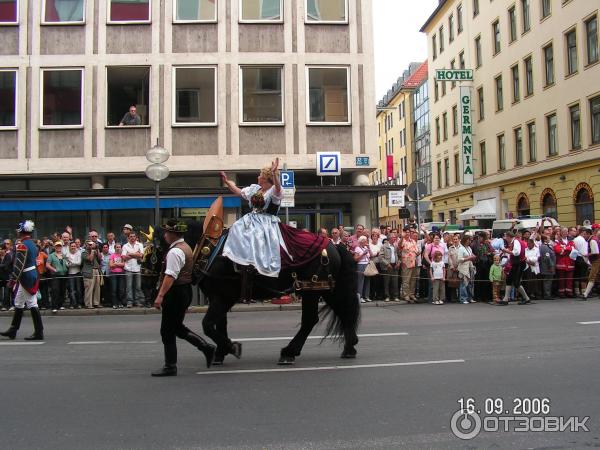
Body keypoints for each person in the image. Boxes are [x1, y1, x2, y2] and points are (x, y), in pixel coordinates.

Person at [151, 219, 216, 377]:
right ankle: (205, 348)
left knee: (167, 331)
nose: (165, 235)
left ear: (174, 234)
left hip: (175, 293)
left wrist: (160, 296)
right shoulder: (185, 247)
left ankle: (170, 366)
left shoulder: (175, 252)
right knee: (176, 328)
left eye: (167, 232)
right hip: (183, 291)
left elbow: (170, 276)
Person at [220, 158, 283, 303]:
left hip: (267, 223)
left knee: (256, 236)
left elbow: (278, 188)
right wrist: (227, 182)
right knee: (235, 227)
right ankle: (238, 261)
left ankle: (254, 266)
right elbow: (238, 192)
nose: (258, 177)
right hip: (252, 219)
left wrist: (275, 174)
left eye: (260, 175)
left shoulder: (274, 191)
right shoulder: (256, 189)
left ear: (266, 179)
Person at [0, 220, 44, 340]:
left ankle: (39, 332)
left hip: (25, 276)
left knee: (31, 303)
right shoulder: (33, 244)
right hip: (31, 274)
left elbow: (19, 265)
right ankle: (13, 330)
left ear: (21, 231)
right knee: (18, 303)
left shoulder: (22, 245)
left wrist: (13, 280)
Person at [501, 232, 531, 305]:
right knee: (509, 279)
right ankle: (505, 299)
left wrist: (506, 251)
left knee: (516, 282)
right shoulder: (514, 241)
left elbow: (516, 253)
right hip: (516, 263)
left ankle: (526, 298)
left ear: (509, 237)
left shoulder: (516, 241)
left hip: (519, 263)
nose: (505, 239)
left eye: (506, 237)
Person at [122, 232, 145, 307]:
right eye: (131, 236)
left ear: (136, 237)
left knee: (138, 286)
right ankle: (129, 302)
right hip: (128, 268)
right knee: (129, 286)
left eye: (134, 236)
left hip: (137, 268)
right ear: (128, 237)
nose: (132, 238)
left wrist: (130, 254)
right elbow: (124, 257)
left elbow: (141, 255)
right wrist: (136, 254)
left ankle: (137, 301)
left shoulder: (140, 245)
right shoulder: (125, 246)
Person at [47, 241, 68, 313]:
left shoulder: (64, 255)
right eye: (57, 246)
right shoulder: (51, 255)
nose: (58, 247)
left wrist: (68, 264)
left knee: (62, 290)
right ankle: (54, 306)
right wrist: (53, 269)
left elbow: (67, 262)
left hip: (64, 274)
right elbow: (47, 265)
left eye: (60, 246)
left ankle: (60, 305)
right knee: (55, 290)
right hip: (55, 275)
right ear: (55, 247)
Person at [554, 228, 575, 298]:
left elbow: (573, 249)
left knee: (569, 278)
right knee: (561, 279)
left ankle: (569, 292)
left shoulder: (571, 240)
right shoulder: (557, 241)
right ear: (561, 232)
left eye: (566, 232)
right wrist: (567, 249)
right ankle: (561, 292)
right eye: (563, 232)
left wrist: (564, 248)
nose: (565, 233)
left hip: (570, 262)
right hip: (561, 263)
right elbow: (558, 250)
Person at [81, 240, 102, 309]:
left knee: (97, 287)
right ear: (86, 245)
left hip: (96, 270)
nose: (91, 246)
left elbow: (100, 258)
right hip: (89, 271)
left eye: (91, 244)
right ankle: (88, 304)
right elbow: (90, 259)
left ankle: (96, 303)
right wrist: (92, 250)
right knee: (89, 288)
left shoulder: (95, 251)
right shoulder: (84, 252)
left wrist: (97, 248)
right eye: (89, 245)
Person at [400, 228, 419, 303]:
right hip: (406, 263)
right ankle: (406, 295)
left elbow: (417, 251)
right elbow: (399, 246)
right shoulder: (403, 240)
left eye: (409, 232)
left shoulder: (413, 241)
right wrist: (402, 237)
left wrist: (417, 253)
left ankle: (411, 294)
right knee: (406, 280)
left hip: (414, 262)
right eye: (406, 232)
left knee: (413, 280)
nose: (408, 233)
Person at [380, 235, 400, 302]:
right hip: (387, 266)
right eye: (393, 237)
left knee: (395, 282)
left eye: (395, 237)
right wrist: (387, 264)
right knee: (387, 282)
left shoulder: (395, 246)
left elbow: (399, 255)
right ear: (389, 239)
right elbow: (381, 257)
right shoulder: (383, 246)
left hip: (395, 266)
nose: (395, 238)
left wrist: (398, 263)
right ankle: (387, 296)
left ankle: (395, 296)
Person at [572, 228, 591, 298]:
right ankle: (584, 292)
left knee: (576, 275)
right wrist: (588, 262)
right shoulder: (583, 240)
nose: (585, 235)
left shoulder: (575, 239)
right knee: (583, 276)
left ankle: (576, 291)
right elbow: (584, 253)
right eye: (585, 233)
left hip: (576, 258)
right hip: (582, 259)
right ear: (582, 232)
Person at [457, 235, 476, 304]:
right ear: (465, 240)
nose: (470, 241)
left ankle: (470, 298)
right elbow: (459, 259)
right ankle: (463, 298)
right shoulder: (461, 248)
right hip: (463, 269)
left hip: (470, 267)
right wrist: (468, 258)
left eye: (470, 240)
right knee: (463, 284)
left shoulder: (469, 248)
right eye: (468, 240)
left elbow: (471, 255)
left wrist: (473, 257)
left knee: (470, 284)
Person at [353, 236, 372, 303]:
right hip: (360, 265)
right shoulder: (357, 248)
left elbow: (371, 255)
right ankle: (360, 296)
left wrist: (369, 248)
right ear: (361, 241)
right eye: (365, 241)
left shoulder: (366, 247)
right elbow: (355, 259)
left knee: (367, 281)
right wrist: (363, 254)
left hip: (367, 264)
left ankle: (366, 296)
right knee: (361, 281)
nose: (366, 242)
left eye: (366, 241)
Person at [65, 242, 83, 309]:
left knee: (78, 289)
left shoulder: (79, 253)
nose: (73, 247)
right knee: (71, 290)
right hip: (70, 274)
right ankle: (72, 303)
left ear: (76, 246)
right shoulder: (67, 254)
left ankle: (79, 303)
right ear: (70, 247)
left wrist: (71, 262)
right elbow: (67, 265)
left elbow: (79, 263)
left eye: (74, 246)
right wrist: (73, 263)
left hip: (78, 273)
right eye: (72, 246)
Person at [109, 243, 126, 308]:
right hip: (113, 273)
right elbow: (111, 265)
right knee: (114, 289)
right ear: (114, 248)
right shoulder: (112, 255)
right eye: (117, 247)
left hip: (121, 273)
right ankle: (114, 303)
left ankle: (120, 302)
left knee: (121, 289)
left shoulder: (122, 255)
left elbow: (123, 264)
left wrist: (115, 263)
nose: (118, 248)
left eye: (119, 247)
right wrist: (119, 264)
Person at [539, 235, 556, 300]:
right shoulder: (545, 247)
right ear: (545, 240)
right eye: (548, 238)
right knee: (548, 281)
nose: (550, 239)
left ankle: (547, 294)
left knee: (548, 280)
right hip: (547, 267)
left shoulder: (546, 246)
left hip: (547, 266)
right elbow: (547, 257)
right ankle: (547, 294)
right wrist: (551, 266)